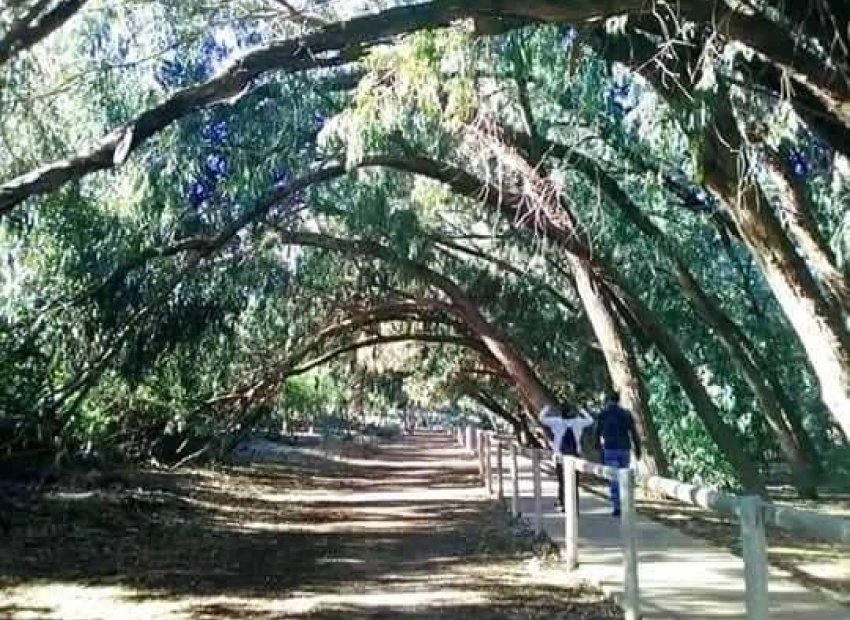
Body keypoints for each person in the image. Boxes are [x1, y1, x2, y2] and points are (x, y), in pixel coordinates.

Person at [594, 391, 642, 516]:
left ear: (608, 400)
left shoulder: (603, 414)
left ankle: (617, 506)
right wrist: (638, 448)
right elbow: (633, 432)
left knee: (614, 478)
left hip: (610, 448)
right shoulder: (626, 414)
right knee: (624, 476)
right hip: (625, 448)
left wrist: (597, 447)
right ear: (618, 400)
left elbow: (597, 432)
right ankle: (626, 502)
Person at [538, 403, 594, 512]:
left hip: (560, 456)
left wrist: (547, 408)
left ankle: (563, 504)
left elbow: (541, 418)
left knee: (562, 481)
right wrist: (582, 410)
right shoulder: (578, 422)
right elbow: (590, 420)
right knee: (575, 483)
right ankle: (575, 506)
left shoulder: (556, 421)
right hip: (574, 457)